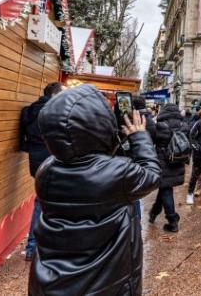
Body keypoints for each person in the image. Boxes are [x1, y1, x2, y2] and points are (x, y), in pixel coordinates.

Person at [28, 84, 161, 296]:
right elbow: (152, 174)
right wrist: (139, 136)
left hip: (51, 281)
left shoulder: (47, 170)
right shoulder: (118, 173)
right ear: (98, 125)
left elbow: (88, 156)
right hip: (106, 283)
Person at [19, 82, 63, 261]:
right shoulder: (55, 111)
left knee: (42, 201)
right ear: (54, 95)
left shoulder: (29, 110)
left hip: (35, 162)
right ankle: (41, 247)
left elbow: (23, 138)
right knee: (50, 203)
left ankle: (32, 247)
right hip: (52, 159)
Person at [150, 103, 189, 232]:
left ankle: (172, 220)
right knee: (165, 187)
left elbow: (152, 140)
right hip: (178, 160)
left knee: (166, 188)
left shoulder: (160, 126)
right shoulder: (184, 125)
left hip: (163, 161)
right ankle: (154, 212)